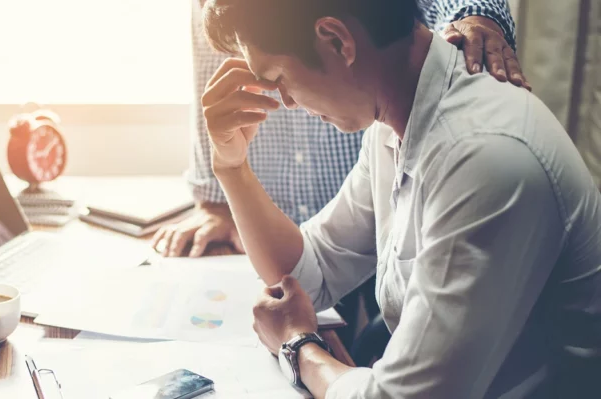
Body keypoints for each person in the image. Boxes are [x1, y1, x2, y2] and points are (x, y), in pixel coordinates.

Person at [200, 0, 601, 397]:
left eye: (279, 76)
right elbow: (308, 274)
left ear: (337, 41)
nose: (286, 102)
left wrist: (298, 346)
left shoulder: (484, 158)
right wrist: (232, 168)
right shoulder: (394, 120)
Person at [152, 0, 525, 258]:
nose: (287, 100)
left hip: (381, 190)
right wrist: (215, 195)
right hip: (280, 207)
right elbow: (211, 75)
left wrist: (476, 17)